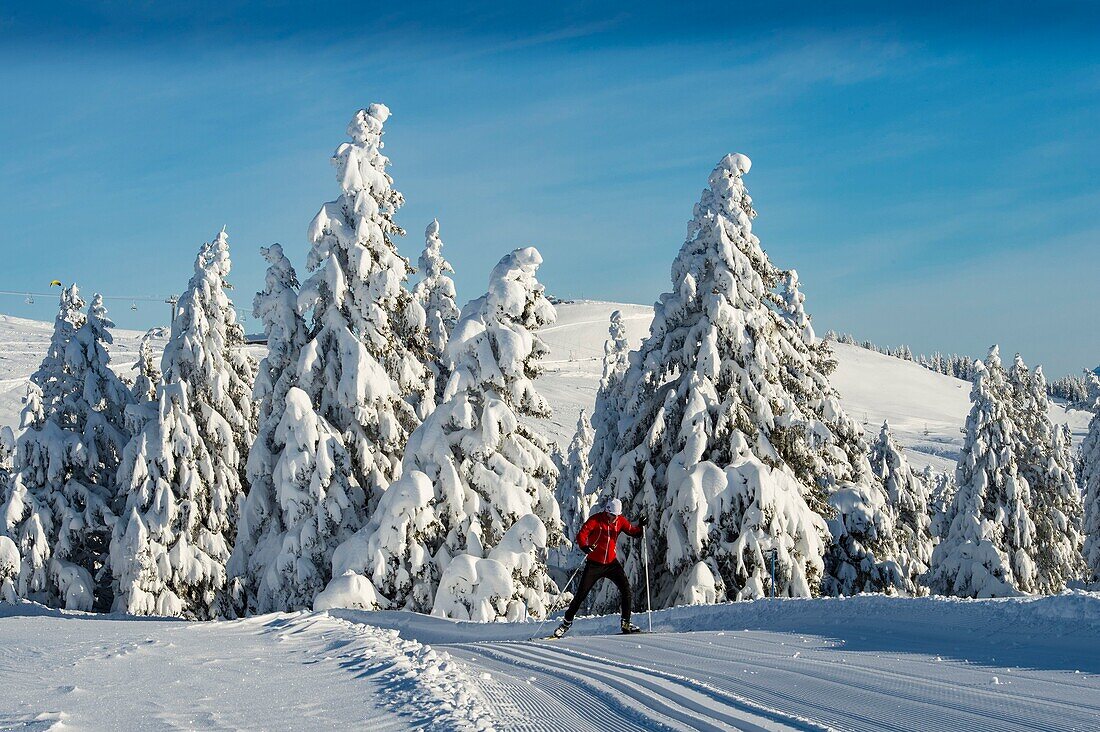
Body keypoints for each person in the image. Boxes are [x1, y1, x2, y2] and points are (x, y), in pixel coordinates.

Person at [553, 497, 647, 637]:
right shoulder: (596, 520)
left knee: (626, 590)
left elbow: (633, 532)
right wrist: (586, 547)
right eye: (611, 515)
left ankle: (626, 623)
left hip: (611, 564)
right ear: (607, 511)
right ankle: (565, 624)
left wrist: (641, 526)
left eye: (616, 516)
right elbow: (582, 534)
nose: (613, 519)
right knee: (580, 595)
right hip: (594, 565)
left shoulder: (620, 521)